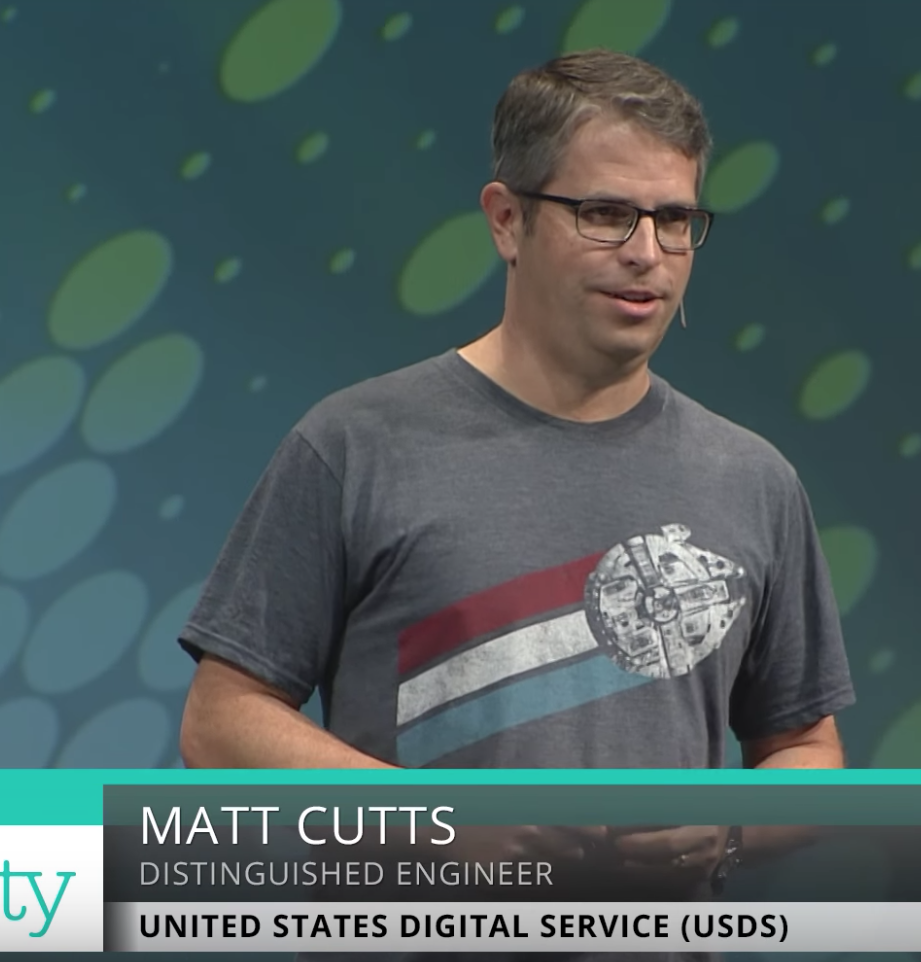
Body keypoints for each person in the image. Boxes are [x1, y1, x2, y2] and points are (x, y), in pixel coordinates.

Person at [176, 47, 855, 920]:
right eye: (606, 214)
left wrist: (731, 825)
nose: (646, 253)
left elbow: (808, 750)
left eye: (675, 220)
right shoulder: (356, 444)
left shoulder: (753, 480)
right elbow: (221, 724)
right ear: (506, 220)